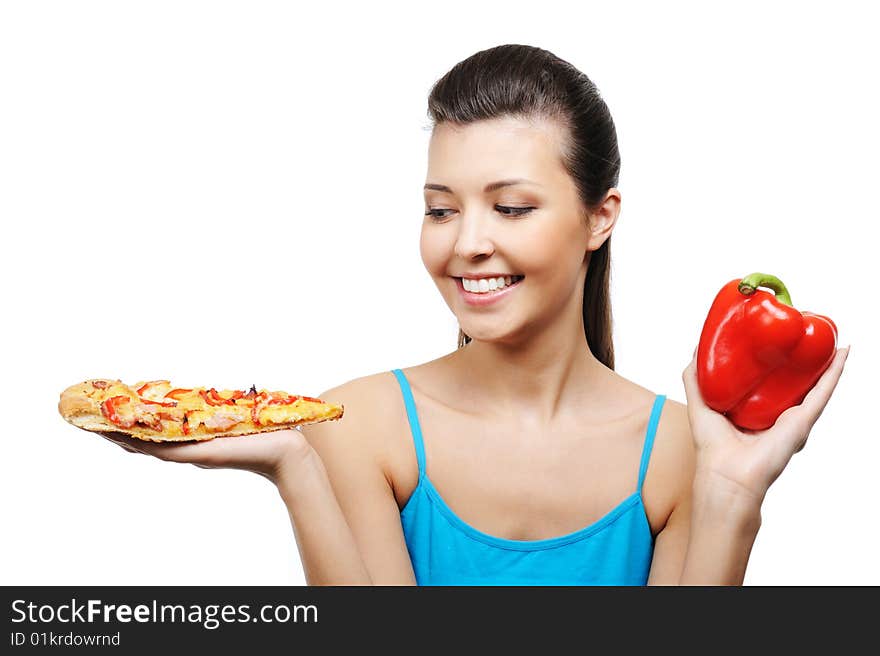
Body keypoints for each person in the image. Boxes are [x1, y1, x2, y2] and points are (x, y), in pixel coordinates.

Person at [100, 44, 849, 585]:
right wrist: (296, 471)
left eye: (512, 207)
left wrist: (732, 497)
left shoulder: (688, 452)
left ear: (599, 218)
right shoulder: (354, 426)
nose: (468, 244)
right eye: (440, 210)